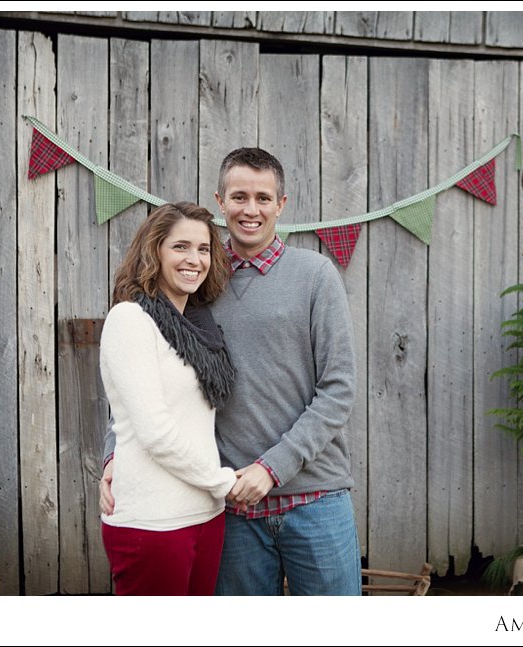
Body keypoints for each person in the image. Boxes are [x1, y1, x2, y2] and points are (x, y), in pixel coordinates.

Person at [101, 148, 360, 596]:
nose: (251, 209)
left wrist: (272, 468)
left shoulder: (315, 275)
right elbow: (138, 385)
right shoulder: (197, 281)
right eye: (239, 196)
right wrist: (113, 458)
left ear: (281, 204)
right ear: (220, 201)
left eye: (263, 198)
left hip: (314, 499)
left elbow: (337, 390)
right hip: (230, 508)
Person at [99, 202, 237, 596]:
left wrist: (215, 494)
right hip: (154, 523)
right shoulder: (130, 321)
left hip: (207, 515)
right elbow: (153, 430)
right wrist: (222, 482)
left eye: (204, 249)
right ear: (154, 250)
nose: (194, 259)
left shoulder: (199, 325)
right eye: (180, 247)